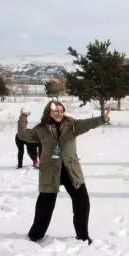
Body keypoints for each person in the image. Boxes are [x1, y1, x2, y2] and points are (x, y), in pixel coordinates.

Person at [17, 101, 111, 244]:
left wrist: (102, 119)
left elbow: (87, 124)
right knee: (45, 206)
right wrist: (23, 116)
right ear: (49, 112)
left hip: (70, 170)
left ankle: (83, 236)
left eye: (61, 110)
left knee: (82, 202)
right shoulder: (41, 129)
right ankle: (35, 235)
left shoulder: (71, 125)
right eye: (56, 111)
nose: (59, 113)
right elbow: (23, 135)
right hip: (50, 172)